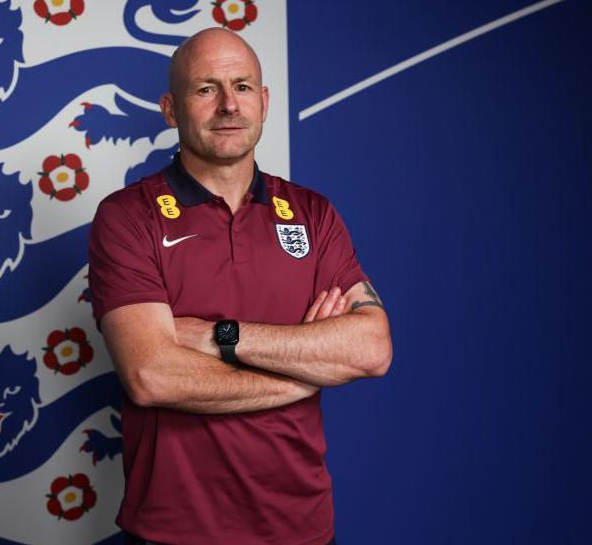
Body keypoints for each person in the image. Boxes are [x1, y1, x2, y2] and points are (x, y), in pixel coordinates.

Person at [87, 28, 393, 545]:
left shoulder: (313, 214)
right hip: (174, 530)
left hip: (302, 527)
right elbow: (151, 374)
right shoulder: (127, 217)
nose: (229, 104)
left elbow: (371, 348)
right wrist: (299, 378)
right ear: (170, 108)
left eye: (243, 86)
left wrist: (219, 336)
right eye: (206, 89)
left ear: (265, 101)